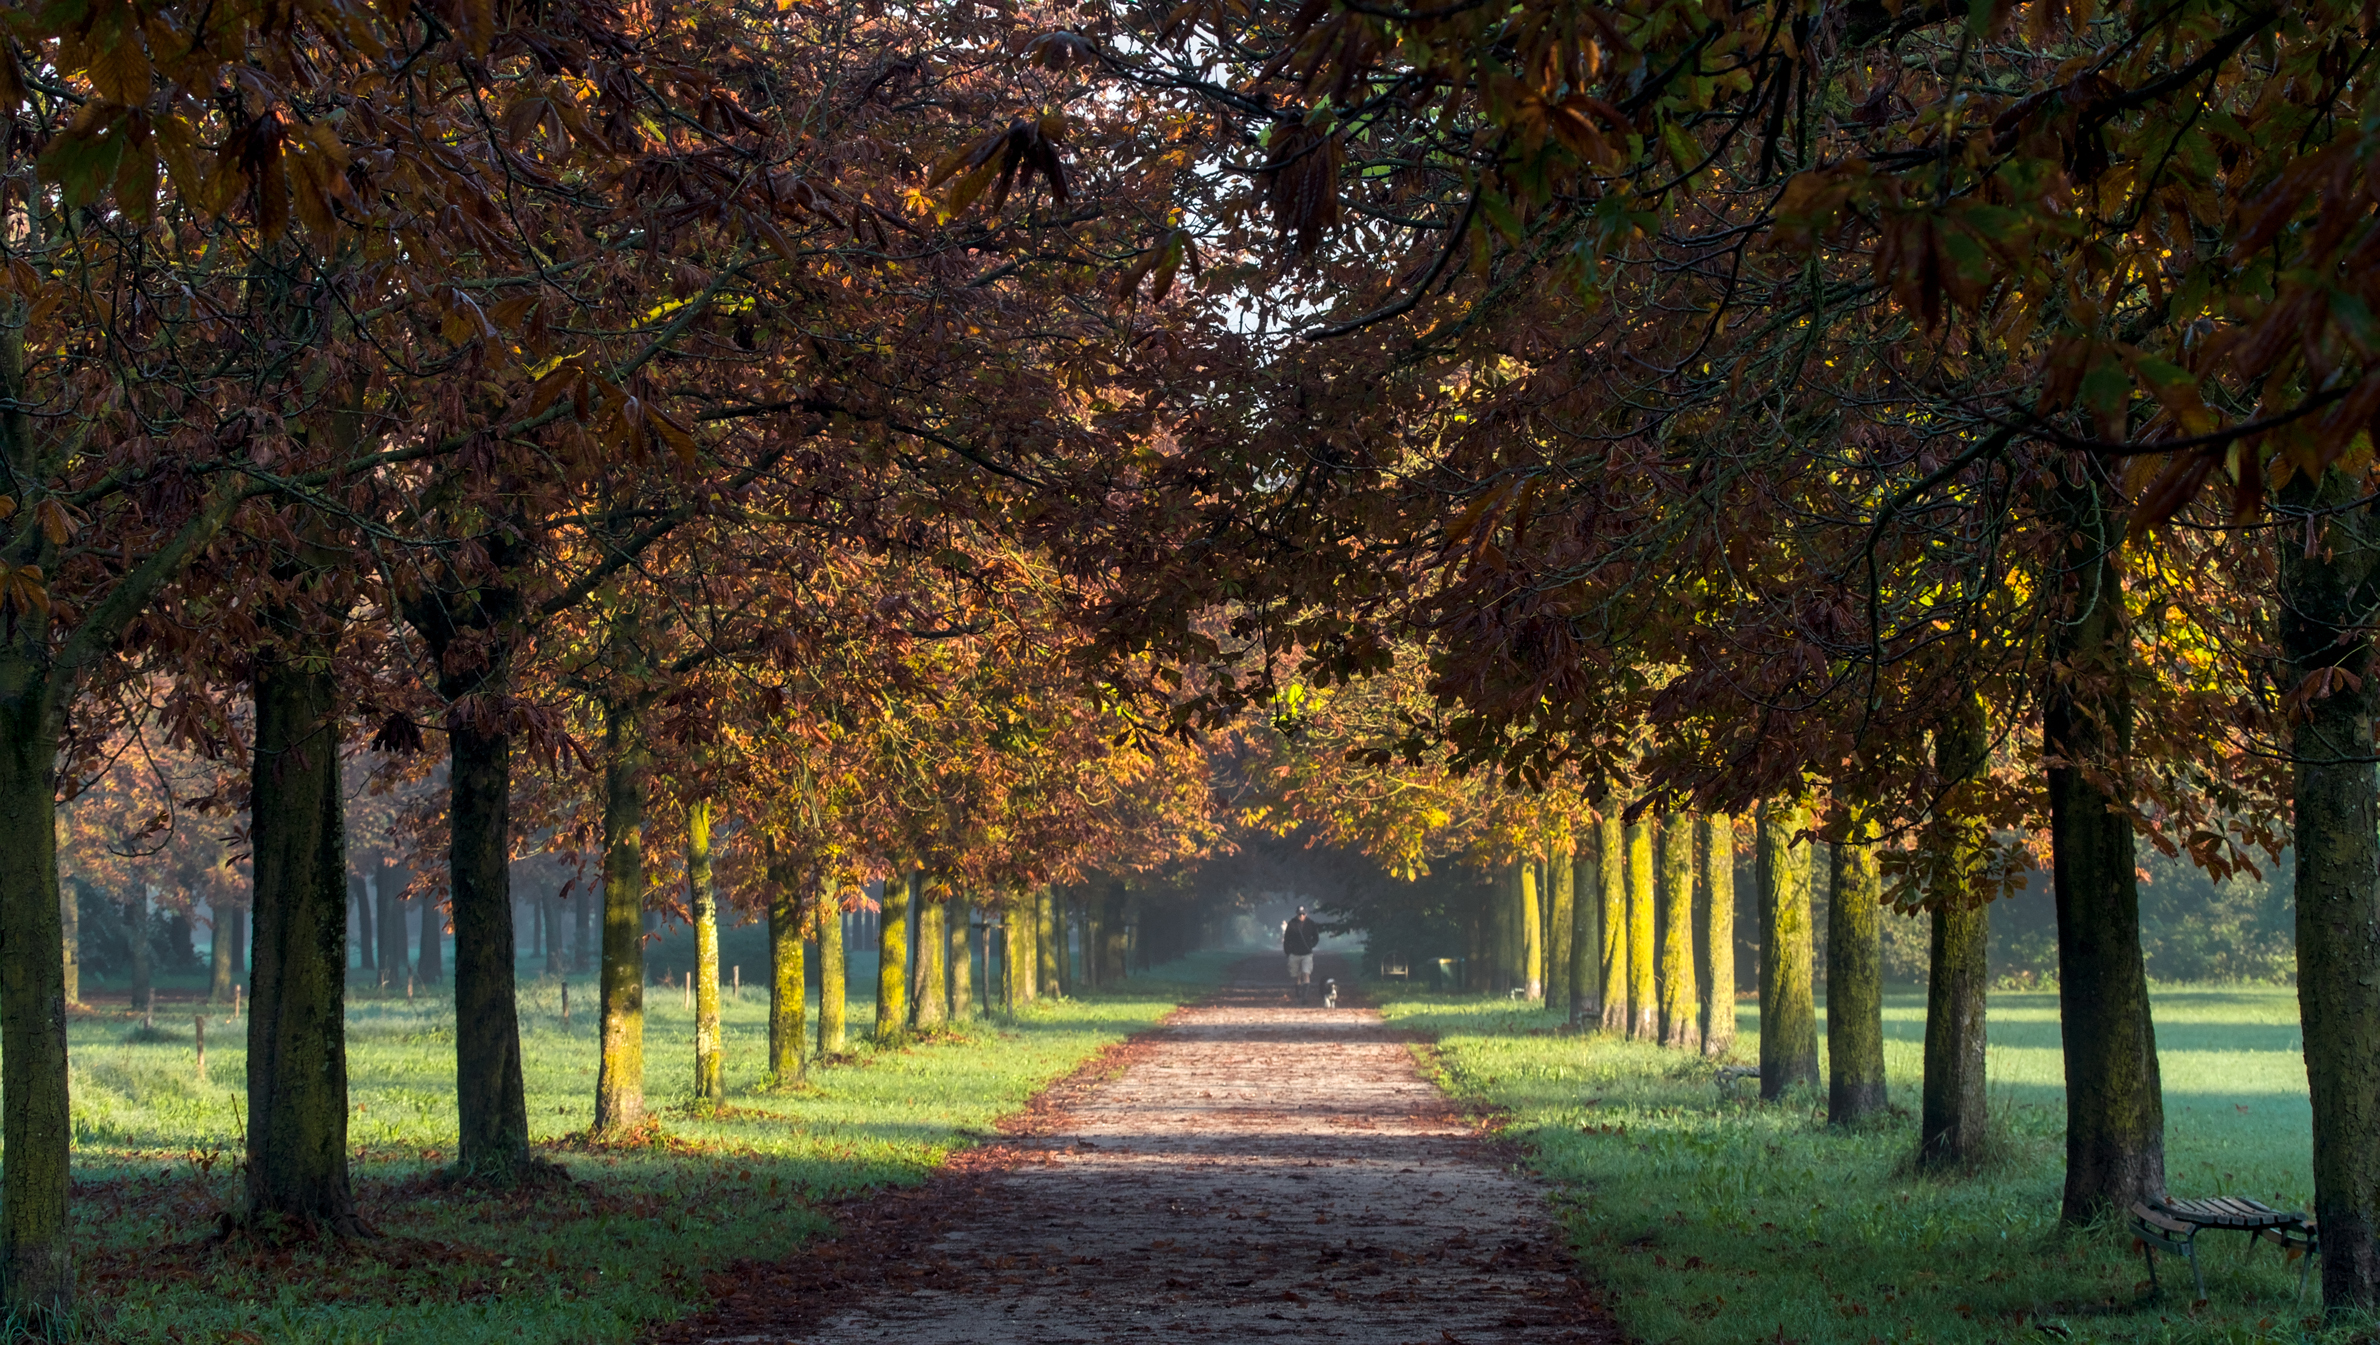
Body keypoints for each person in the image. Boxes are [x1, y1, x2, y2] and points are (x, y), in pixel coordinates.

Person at [1283, 907, 1321, 1003]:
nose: (1301, 916)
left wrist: (1310, 945)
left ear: (1306, 914)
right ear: (1296, 914)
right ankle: (1298, 994)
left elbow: (1316, 938)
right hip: (1294, 953)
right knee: (1296, 976)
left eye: (1303, 914)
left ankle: (1304, 997)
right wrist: (1288, 951)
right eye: (1300, 914)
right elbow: (1286, 939)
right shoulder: (1292, 924)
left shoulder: (1311, 924)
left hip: (1307, 953)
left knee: (1306, 973)